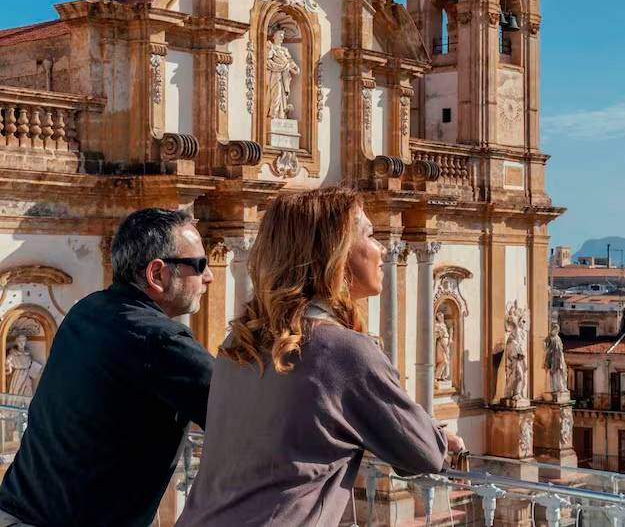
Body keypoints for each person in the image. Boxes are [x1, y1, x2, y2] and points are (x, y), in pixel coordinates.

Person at [177, 187, 464, 527]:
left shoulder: (240, 341)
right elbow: (424, 453)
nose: (382, 248)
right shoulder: (344, 352)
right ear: (337, 254)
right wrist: (444, 440)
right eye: (370, 235)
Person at [0, 208, 215, 527]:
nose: (209, 276)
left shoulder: (86, 311)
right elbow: (245, 418)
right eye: (199, 265)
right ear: (157, 274)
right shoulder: (159, 341)